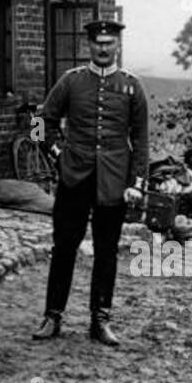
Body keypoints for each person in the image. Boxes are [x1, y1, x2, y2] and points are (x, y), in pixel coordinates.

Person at [32, 19, 149, 346]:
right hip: (75, 178)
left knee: (107, 252)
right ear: (89, 46)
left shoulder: (131, 87)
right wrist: (58, 155)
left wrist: (136, 183)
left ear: (117, 46)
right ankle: (52, 316)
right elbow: (40, 123)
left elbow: (140, 141)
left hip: (113, 182)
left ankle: (100, 320)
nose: (103, 48)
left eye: (109, 43)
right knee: (64, 247)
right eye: (97, 43)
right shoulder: (72, 82)